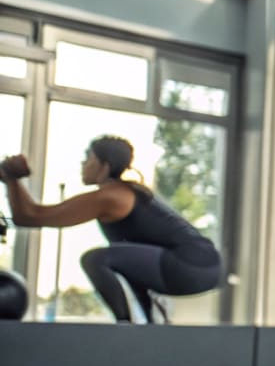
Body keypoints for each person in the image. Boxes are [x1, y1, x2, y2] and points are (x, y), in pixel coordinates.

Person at [0, 135, 223, 323]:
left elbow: (31, 216)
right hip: (201, 265)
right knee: (121, 261)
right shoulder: (122, 192)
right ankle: (147, 321)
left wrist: (12, 178)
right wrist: (11, 181)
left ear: (104, 166)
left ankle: (126, 324)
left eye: (88, 158)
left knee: (95, 259)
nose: (82, 164)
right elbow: (25, 217)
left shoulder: (111, 196)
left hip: (191, 263)